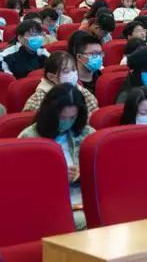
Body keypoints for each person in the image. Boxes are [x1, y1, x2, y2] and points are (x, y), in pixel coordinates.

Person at [18, 84, 94, 230]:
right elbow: (22, 184)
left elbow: (103, 172)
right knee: (86, 221)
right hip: (49, 203)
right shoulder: (28, 138)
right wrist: (56, 178)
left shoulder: (87, 133)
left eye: (72, 117)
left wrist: (83, 172)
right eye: (62, 117)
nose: (67, 122)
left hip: (84, 198)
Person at [23, 51, 98, 114]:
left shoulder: (82, 91)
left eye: (73, 69)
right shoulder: (40, 98)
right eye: (66, 71)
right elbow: (33, 122)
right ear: (51, 77)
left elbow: (94, 116)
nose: (72, 74)